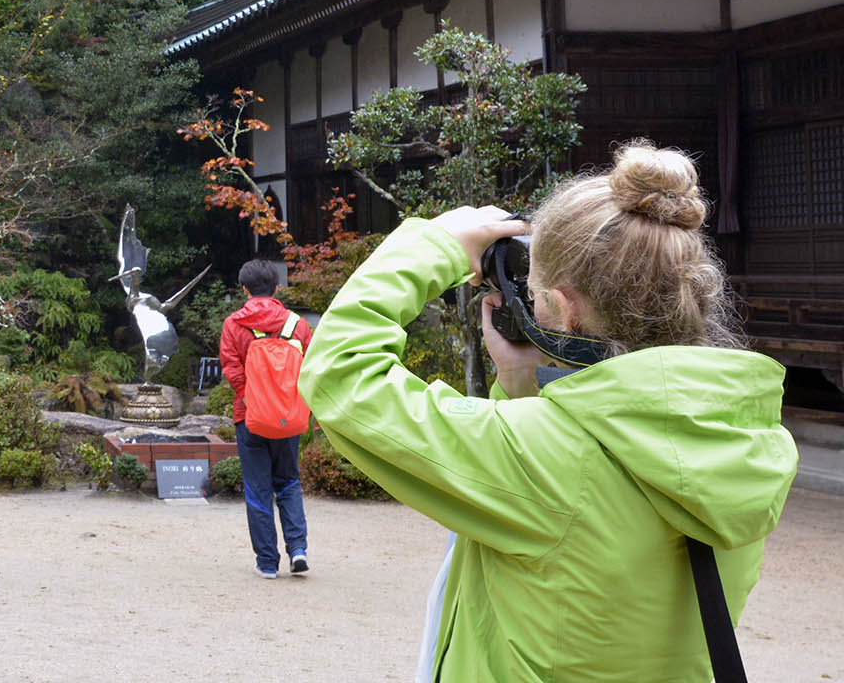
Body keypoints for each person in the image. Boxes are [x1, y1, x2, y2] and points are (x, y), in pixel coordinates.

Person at [299, 142, 798, 681]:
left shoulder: (544, 457)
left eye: (533, 293)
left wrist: (436, 244)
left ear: (563, 307)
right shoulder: (745, 438)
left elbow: (340, 371)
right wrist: (522, 387)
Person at [219, 258, 313, 579]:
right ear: (276, 288)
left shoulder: (234, 324)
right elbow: (312, 369)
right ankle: (298, 550)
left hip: (251, 418)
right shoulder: (298, 325)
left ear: (244, 289)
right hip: (289, 416)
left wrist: (249, 396)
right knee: (288, 481)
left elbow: (231, 368)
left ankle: (267, 563)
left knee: (258, 488)